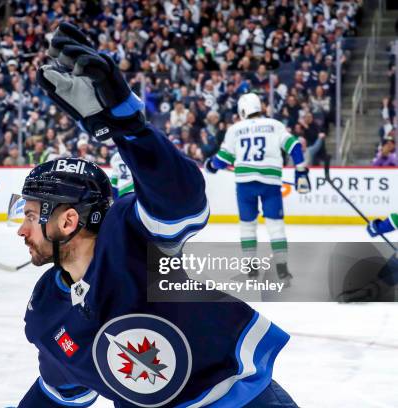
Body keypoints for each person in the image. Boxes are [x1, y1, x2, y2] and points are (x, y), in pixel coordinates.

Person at [15, 23, 297, 408]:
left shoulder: (130, 235)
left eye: (31, 215)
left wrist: (126, 124)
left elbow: (181, 199)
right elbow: (61, 391)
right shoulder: (48, 306)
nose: (21, 229)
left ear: (68, 221)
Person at [205, 93, 311, 281]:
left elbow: (222, 160)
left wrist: (210, 166)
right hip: (270, 184)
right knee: (276, 227)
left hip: (245, 185)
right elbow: (295, 147)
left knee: (247, 226)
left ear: (243, 110)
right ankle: (282, 269)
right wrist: (300, 171)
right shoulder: (275, 125)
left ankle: (252, 269)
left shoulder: (235, 129)